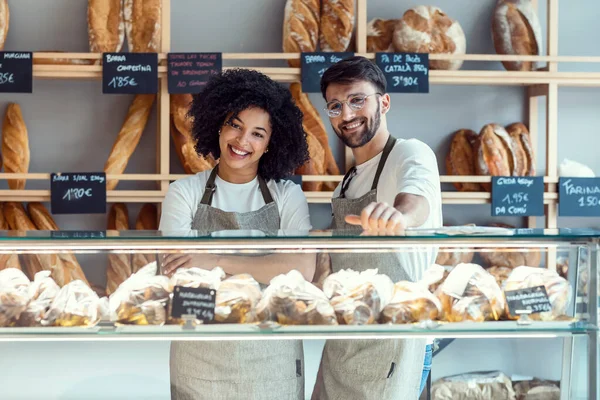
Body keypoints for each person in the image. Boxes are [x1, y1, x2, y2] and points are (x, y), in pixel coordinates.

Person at [159, 68, 314, 400]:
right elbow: (177, 271)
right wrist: (267, 267)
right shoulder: (183, 192)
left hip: (273, 355)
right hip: (200, 353)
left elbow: (302, 267)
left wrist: (213, 259)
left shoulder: (287, 195)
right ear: (218, 124)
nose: (243, 141)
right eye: (235, 125)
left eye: (258, 133)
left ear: (272, 142)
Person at [311, 56, 443, 399]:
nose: (347, 115)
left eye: (358, 100)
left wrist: (399, 217)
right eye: (335, 106)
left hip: (396, 342)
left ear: (384, 102)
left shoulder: (410, 153)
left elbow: (417, 199)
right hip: (347, 339)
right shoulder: (347, 181)